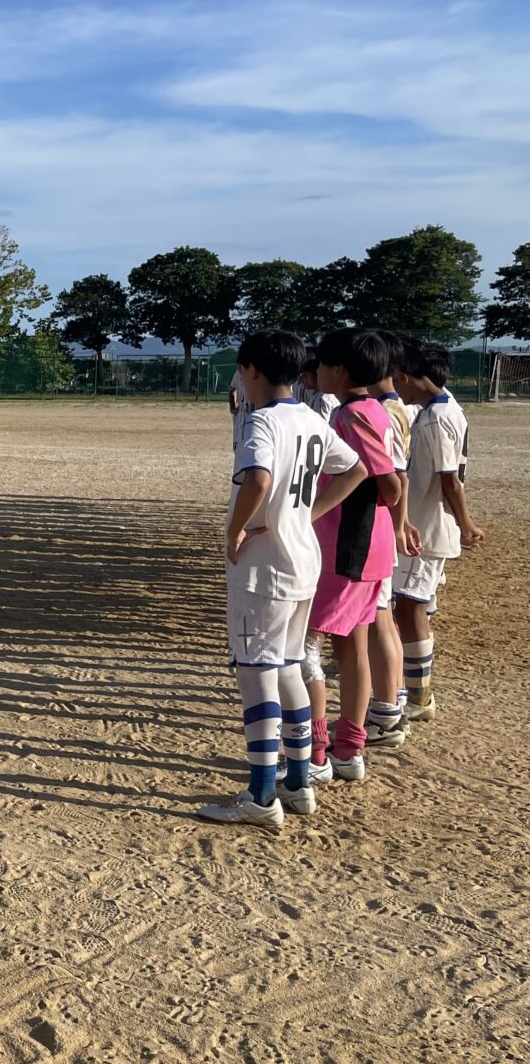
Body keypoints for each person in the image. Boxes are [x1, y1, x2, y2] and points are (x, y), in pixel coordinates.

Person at [202, 331, 366, 829]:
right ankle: (298, 782)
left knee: (255, 673)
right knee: (291, 665)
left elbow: (259, 480)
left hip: (264, 564)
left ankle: (260, 793)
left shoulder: (262, 422)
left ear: (251, 370)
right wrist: (307, 513)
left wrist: (236, 531)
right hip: (303, 561)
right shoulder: (312, 417)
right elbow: (355, 468)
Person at [307, 329, 406, 783]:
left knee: (307, 646)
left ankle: (316, 751)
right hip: (370, 544)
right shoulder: (376, 410)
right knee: (352, 648)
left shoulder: (351, 416)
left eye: (322, 364)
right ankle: (349, 749)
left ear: (339, 370)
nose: (317, 371)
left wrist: (309, 515)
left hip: (352, 545)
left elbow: (385, 479)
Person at [392, 339, 481, 725]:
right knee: (409, 605)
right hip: (422, 525)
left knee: (411, 605)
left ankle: (420, 695)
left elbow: (450, 481)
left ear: (408, 377)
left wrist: (466, 524)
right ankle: (414, 689)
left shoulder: (438, 418)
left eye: (398, 379)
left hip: (427, 529)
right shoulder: (439, 408)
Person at [364, 330, 417, 746]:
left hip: (377, 526)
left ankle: (386, 713)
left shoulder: (380, 410)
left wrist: (398, 525)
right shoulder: (394, 406)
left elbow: (395, 477)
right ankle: (393, 697)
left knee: (379, 619)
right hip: (387, 523)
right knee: (387, 618)